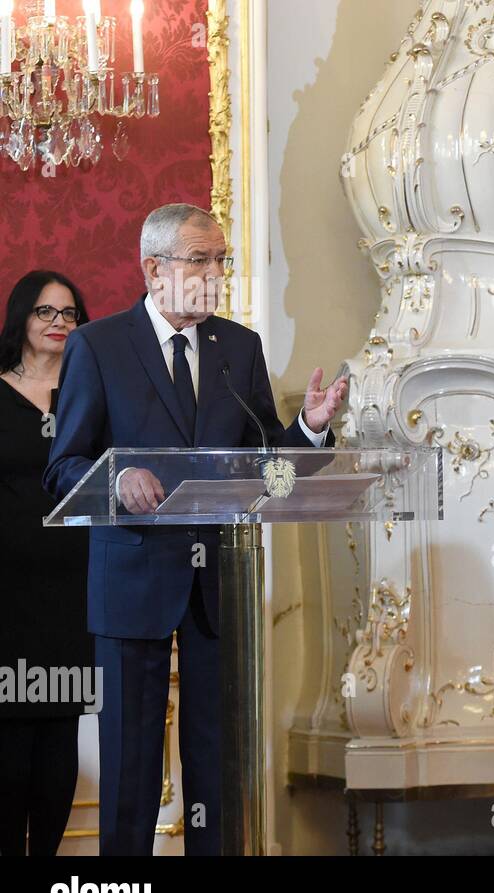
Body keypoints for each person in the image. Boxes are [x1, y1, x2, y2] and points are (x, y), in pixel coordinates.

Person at [44, 204, 348, 856]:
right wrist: (117, 479)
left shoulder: (239, 347)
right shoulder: (97, 347)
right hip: (131, 584)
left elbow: (271, 466)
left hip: (218, 588)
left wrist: (312, 430)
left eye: (221, 261)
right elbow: (63, 465)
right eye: (200, 260)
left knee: (217, 767)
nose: (215, 274)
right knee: (129, 769)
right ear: (154, 269)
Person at [0, 271, 92, 856]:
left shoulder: (93, 392)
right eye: (45, 312)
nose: (58, 323)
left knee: (60, 751)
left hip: (77, 597)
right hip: (8, 600)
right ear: (21, 320)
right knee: (9, 757)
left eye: (69, 313)